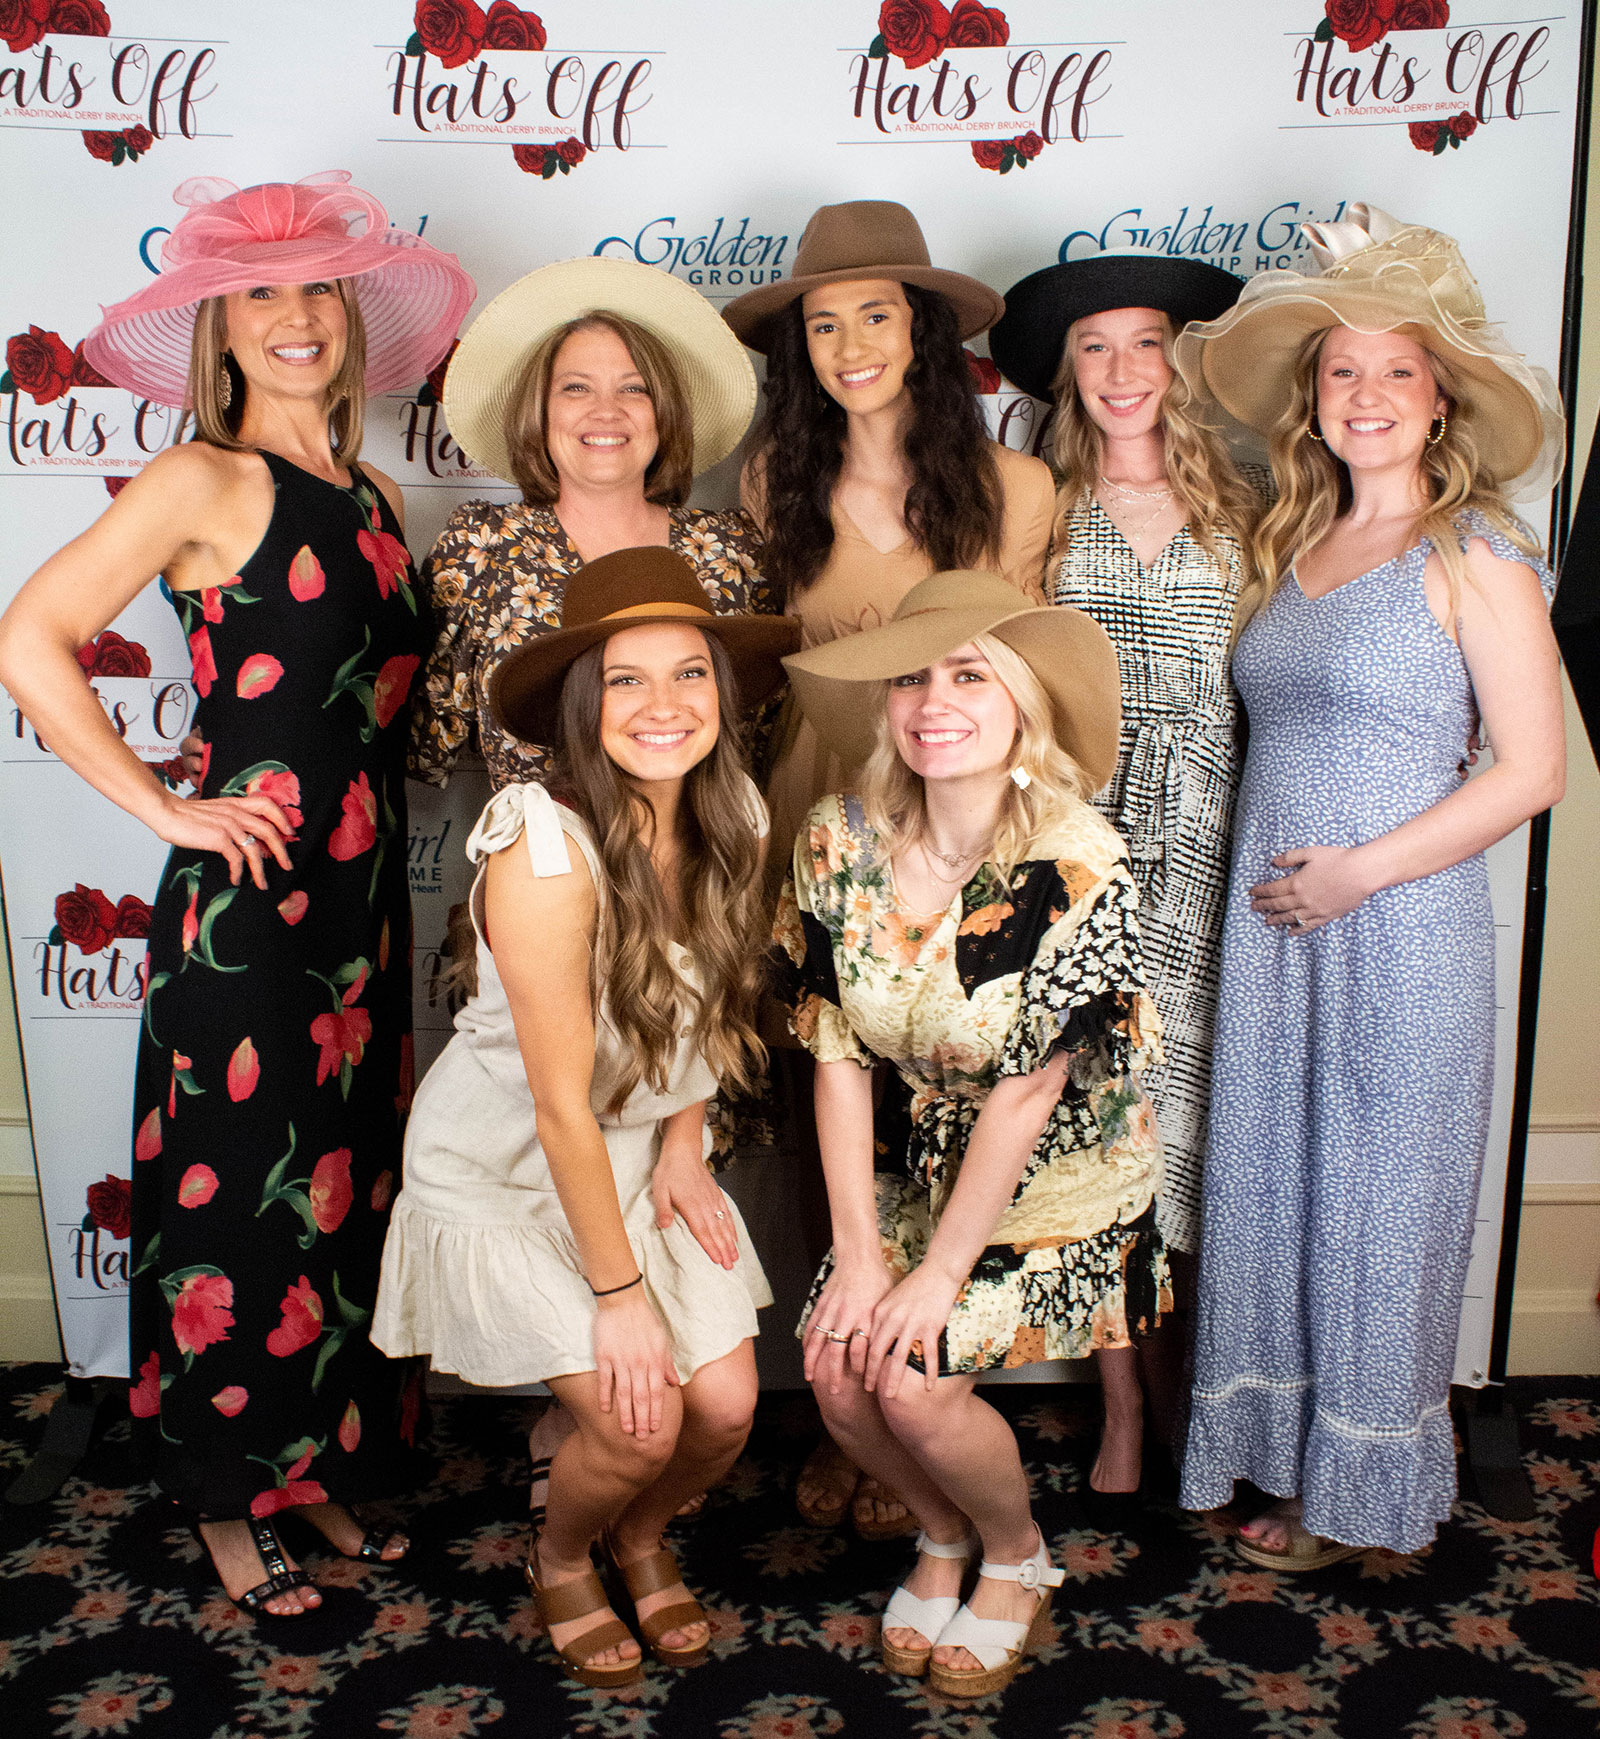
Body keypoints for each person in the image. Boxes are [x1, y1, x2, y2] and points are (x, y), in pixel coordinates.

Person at [0, 173, 474, 1616]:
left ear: (351, 311)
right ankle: (226, 1497)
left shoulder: (373, 494)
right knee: (240, 1198)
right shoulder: (202, 478)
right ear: (218, 327)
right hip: (250, 905)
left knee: (337, 1189)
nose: (294, 313)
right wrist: (164, 806)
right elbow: (30, 636)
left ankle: (312, 1467)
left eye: (317, 284)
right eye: (260, 291)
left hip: (361, 901)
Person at [1174, 204, 1566, 1563]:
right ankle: (1291, 1460)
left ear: (1441, 396)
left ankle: (1372, 1499)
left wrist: (1358, 872)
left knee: (1382, 1203)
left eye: (1398, 368)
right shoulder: (1287, 550)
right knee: (1282, 1184)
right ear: (1315, 398)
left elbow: (1534, 772)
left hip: (1400, 924)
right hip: (1273, 932)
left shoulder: (1477, 555)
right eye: (1343, 369)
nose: (1367, 392)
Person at [371, 547, 796, 1687]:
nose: (665, 705)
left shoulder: (735, 814)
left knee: (725, 1410)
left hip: (636, 1146)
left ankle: (638, 1536)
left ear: (722, 692)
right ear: (580, 704)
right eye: (625, 679)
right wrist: (620, 1299)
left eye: (690, 673)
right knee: (638, 1422)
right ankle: (562, 1555)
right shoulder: (544, 847)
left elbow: (712, 1000)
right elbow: (560, 1105)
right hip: (511, 1166)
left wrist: (686, 1143)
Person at [773, 570, 1169, 1697]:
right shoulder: (836, 837)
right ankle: (942, 1533)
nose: (933, 701)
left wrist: (937, 1275)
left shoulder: (1076, 857)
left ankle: (1015, 1552)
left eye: (969, 675)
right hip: (915, 1156)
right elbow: (835, 1051)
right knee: (837, 1370)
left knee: (913, 1379)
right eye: (911, 676)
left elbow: (1029, 1092)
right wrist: (860, 1255)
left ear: (1021, 704)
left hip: (1057, 1169)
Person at [723, 199, 1056, 1539]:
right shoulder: (771, 485)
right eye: (823, 323)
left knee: (947, 1109)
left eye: (876, 315)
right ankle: (842, 1398)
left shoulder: (1016, 490)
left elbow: (1025, 682)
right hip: (813, 826)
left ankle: (924, 1383)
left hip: (956, 831)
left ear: (923, 333)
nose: (851, 343)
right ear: (799, 350)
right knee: (831, 1108)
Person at [988, 254, 1257, 1503]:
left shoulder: (1250, 507)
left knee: (1192, 1128)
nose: (1120, 370)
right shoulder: (1041, 510)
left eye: (1145, 341)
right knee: (1100, 1125)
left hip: (1211, 841)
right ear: (1065, 375)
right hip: (1081, 841)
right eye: (1093, 347)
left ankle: (1199, 1385)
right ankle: (1124, 1405)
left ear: (1179, 362)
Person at [412, 255, 774, 793]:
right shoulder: (479, 548)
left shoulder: (731, 548)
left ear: (665, 413)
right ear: (539, 411)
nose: (606, 411)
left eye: (634, 388)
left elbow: (760, 743)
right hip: (539, 845)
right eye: (576, 388)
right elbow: (426, 739)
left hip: (708, 844)